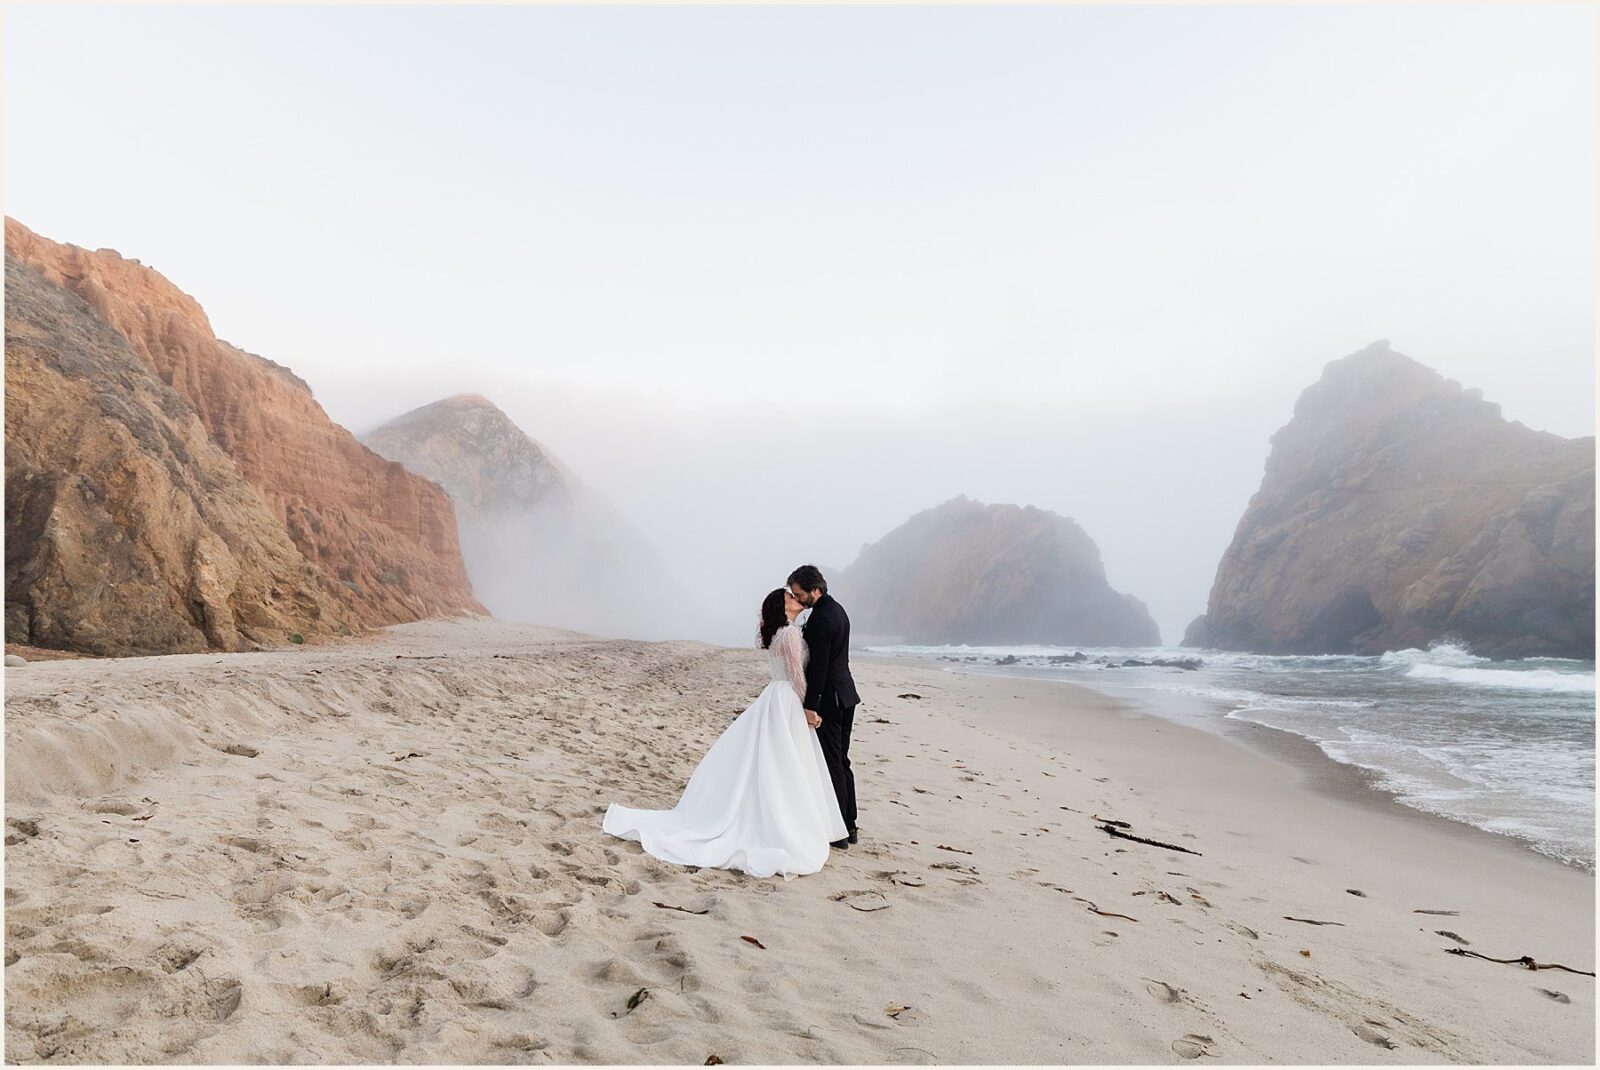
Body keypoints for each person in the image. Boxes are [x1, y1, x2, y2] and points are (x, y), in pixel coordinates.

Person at [601, 588, 847, 879]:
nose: (796, 599)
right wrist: (809, 707)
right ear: (782, 607)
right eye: (790, 598)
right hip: (788, 699)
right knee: (785, 761)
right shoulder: (790, 634)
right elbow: (796, 675)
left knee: (774, 759)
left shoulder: (778, 633)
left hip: (775, 696)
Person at [787, 564, 862, 849]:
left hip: (830, 699)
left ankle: (839, 832)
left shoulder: (821, 619)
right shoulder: (837, 610)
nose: (797, 598)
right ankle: (850, 825)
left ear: (815, 590)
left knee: (832, 763)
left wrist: (811, 705)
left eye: (799, 594)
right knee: (842, 760)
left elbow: (819, 667)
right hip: (846, 694)